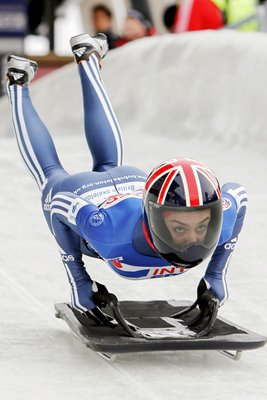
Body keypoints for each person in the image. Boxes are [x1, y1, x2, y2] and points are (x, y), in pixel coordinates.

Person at [6, 33, 247, 328]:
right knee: (51, 176)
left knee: (109, 164)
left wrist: (215, 274)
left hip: (130, 187)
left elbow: (238, 196)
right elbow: (59, 205)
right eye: (179, 228)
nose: (193, 240)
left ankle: (87, 57)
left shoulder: (221, 224)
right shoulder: (108, 231)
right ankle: (18, 82)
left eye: (201, 226)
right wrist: (79, 279)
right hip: (87, 196)